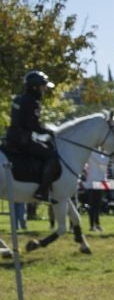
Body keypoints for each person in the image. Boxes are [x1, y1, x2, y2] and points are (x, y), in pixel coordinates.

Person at [2, 70, 61, 202]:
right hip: (23, 140)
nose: (44, 89)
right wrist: (50, 131)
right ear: (35, 87)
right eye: (42, 86)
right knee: (51, 156)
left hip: (12, 137)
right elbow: (34, 126)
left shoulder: (19, 98)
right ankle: (42, 191)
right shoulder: (33, 102)